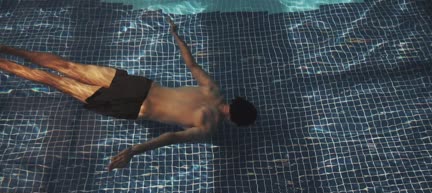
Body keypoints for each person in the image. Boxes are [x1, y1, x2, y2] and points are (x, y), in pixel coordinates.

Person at [0, 17, 257, 171]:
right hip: (135, 107)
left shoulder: (213, 89)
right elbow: (170, 137)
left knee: (65, 66)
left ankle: (5, 47)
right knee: (52, 80)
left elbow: (192, 64)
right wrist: (133, 151)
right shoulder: (209, 126)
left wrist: (177, 36)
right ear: (234, 121)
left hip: (138, 86)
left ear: (236, 101)